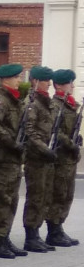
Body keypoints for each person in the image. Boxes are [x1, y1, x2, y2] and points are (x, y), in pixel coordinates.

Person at [0, 63, 28, 258]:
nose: (20, 80)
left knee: (12, 200)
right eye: (17, 77)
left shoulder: (15, 100)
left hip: (13, 158)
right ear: (6, 79)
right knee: (2, 200)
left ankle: (6, 237)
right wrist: (11, 143)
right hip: (2, 158)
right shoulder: (1, 100)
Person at [21, 66, 58, 253]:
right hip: (36, 157)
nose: (49, 84)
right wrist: (45, 149)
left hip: (46, 157)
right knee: (35, 196)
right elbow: (30, 131)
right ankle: (30, 236)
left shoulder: (46, 102)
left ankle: (37, 233)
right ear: (35, 81)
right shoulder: (32, 103)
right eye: (45, 80)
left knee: (44, 196)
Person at [47, 69, 80, 246]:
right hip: (60, 156)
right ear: (58, 85)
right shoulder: (56, 105)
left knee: (68, 194)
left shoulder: (70, 104)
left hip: (69, 157)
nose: (72, 86)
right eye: (69, 83)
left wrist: (77, 139)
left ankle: (59, 227)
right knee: (58, 193)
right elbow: (55, 131)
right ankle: (53, 231)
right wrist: (70, 143)